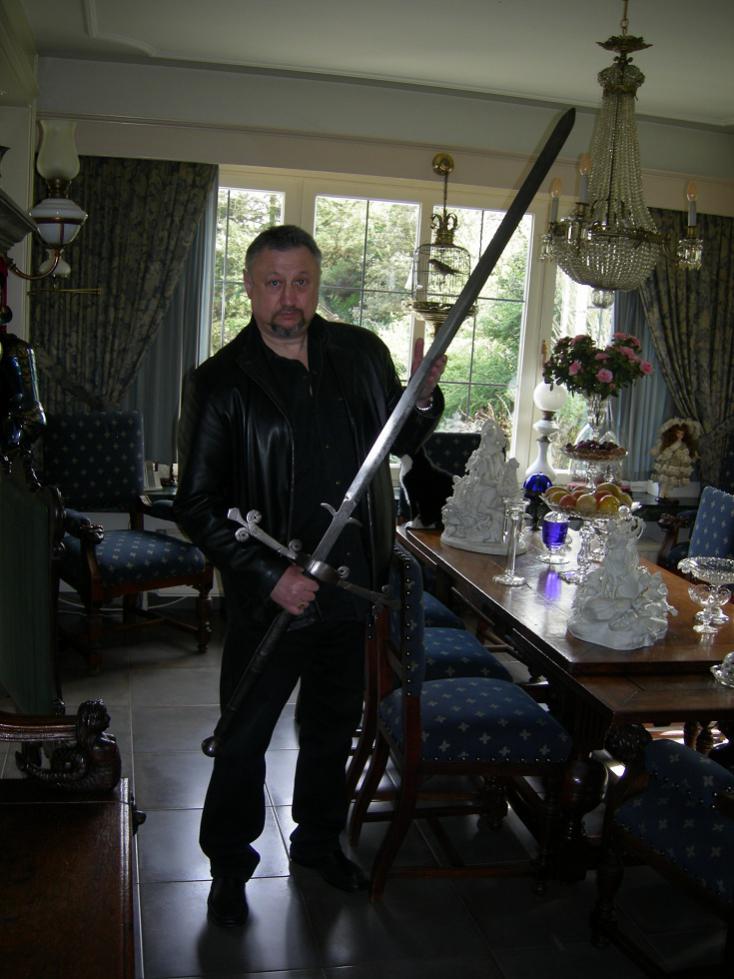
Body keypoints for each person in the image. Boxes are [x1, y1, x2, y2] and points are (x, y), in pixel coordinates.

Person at [174, 224, 446, 927]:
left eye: (301, 282)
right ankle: (229, 863)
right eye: (274, 283)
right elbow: (195, 504)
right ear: (250, 286)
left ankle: (319, 843)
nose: (288, 298)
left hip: (352, 589)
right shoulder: (221, 382)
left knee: (332, 726)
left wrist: (420, 400)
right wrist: (270, 575)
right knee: (244, 735)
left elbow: (399, 443)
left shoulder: (360, 354)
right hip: (271, 602)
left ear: (317, 284)